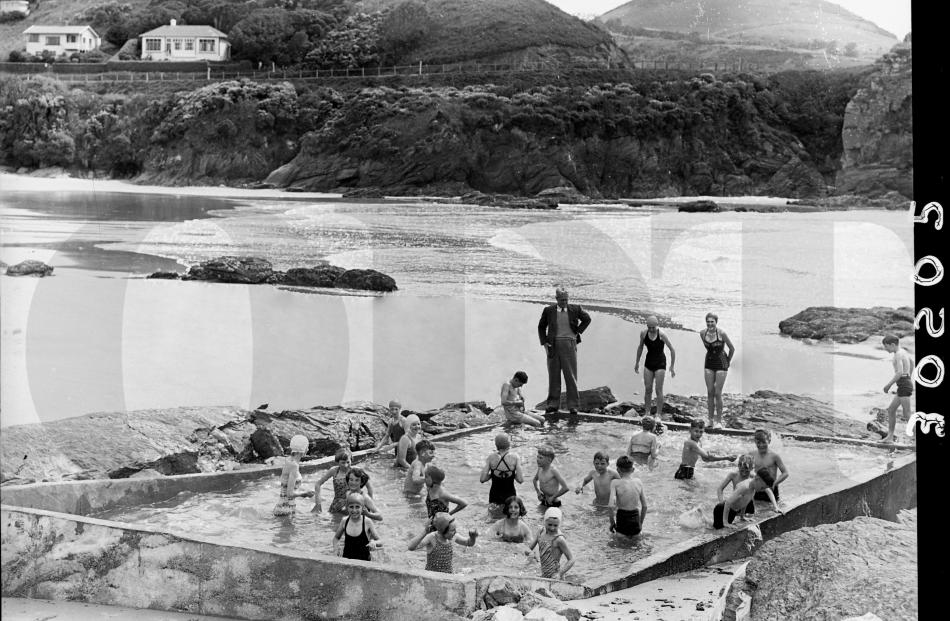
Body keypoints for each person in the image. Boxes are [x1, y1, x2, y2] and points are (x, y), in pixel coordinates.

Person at [537, 286, 592, 415]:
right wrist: (544, 342)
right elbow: (541, 326)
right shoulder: (548, 310)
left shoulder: (575, 309)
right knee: (554, 376)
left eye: (566, 300)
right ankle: (552, 404)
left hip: (569, 344)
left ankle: (573, 406)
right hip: (553, 345)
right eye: (562, 300)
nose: (564, 302)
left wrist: (577, 332)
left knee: (570, 376)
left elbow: (587, 319)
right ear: (556, 299)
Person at [634, 316, 676, 419]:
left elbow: (672, 350)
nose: (652, 329)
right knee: (648, 389)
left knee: (658, 389)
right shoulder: (643, 333)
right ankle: (647, 413)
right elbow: (640, 347)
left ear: (657, 326)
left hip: (660, 363)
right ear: (647, 326)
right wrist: (637, 362)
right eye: (650, 327)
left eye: (653, 327)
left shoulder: (661, 335)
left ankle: (658, 414)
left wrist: (672, 366)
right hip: (649, 362)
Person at [407, 512, 478, 574]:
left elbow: (469, 543)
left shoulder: (453, 536)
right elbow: (411, 547)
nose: (455, 532)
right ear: (442, 530)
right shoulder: (432, 538)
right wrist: (424, 532)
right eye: (452, 530)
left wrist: (473, 537)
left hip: (449, 575)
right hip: (432, 576)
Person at [712, 468, 783, 529]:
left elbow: (745, 501)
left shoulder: (753, 489)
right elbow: (728, 502)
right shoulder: (745, 487)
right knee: (716, 529)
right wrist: (725, 522)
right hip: (722, 510)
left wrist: (742, 516)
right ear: (757, 479)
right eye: (762, 487)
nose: (762, 490)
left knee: (725, 529)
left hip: (732, 511)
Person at [700, 313, 735, 429]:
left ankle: (719, 421)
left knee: (717, 392)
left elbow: (732, 348)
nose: (710, 324)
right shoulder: (702, 333)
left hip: (721, 363)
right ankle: (710, 420)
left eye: (712, 321)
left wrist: (728, 361)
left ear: (716, 322)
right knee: (710, 392)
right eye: (708, 321)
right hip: (709, 362)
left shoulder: (722, 333)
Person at [480, 432, 524, 516]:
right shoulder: (515, 457)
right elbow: (520, 480)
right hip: (510, 495)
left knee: (493, 518)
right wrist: (511, 473)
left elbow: (482, 479)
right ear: (508, 443)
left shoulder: (491, 458)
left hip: (494, 495)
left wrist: (493, 474)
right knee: (511, 518)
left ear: (496, 444)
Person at [881, 334, 914, 443]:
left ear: (892, 344)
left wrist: (888, 385)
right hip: (904, 383)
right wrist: (908, 375)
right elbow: (912, 362)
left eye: (886, 346)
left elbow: (899, 372)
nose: (885, 349)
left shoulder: (899, 354)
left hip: (904, 385)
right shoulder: (902, 352)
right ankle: (890, 437)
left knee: (907, 414)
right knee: (891, 410)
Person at [525, 507, 574, 580]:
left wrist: (560, 573)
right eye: (549, 524)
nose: (552, 528)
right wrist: (530, 554)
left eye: (555, 526)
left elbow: (571, 559)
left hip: (555, 577)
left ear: (559, 524)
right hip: (544, 573)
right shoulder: (540, 532)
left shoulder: (559, 539)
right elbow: (528, 549)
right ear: (544, 522)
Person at [313, 448, 366, 513]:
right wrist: (318, 503)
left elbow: (368, 486)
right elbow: (318, 484)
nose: (346, 465)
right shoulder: (334, 471)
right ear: (337, 462)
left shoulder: (356, 470)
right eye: (342, 463)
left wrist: (368, 504)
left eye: (348, 462)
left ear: (351, 460)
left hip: (354, 504)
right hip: (337, 505)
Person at [273, 435, 314, 516]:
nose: (308, 449)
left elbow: (286, 485)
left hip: (282, 506)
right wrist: (305, 494)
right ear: (302, 449)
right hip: (286, 508)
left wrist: (303, 489)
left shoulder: (288, 460)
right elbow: (289, 494)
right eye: (307, 447)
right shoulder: (294, 466)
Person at [333, 492, 382, 560]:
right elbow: (336, 538)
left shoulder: (367, 522)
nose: (354, 510)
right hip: (346, 560)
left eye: (357, 507)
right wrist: (336, 548)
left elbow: (380, 541)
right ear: (347, 507)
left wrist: (374, 543)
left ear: (363, 508)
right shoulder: (344, 521)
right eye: (351, 507)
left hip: (364, 561)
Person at [608, 455, 647, 538]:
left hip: (622, 519)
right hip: (635, 519)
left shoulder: (615, 483)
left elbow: (611, 506)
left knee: (619, 545)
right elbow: (645, 506)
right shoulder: (639, 482)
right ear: (633, 469)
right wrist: (640, 523)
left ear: (618, 470)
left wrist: (612, 523)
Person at [748, 429, 788, 501]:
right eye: (758, 443)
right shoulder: (751, 455)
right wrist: (752, 475)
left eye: (764, 442)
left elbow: (785, 473)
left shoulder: (774, 456)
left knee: (773, 509)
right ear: (755, 442)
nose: (761, 445)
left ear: (769, 441)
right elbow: (747, 470)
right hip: (758, 488)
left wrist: (776, 483)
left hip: (771, 487)